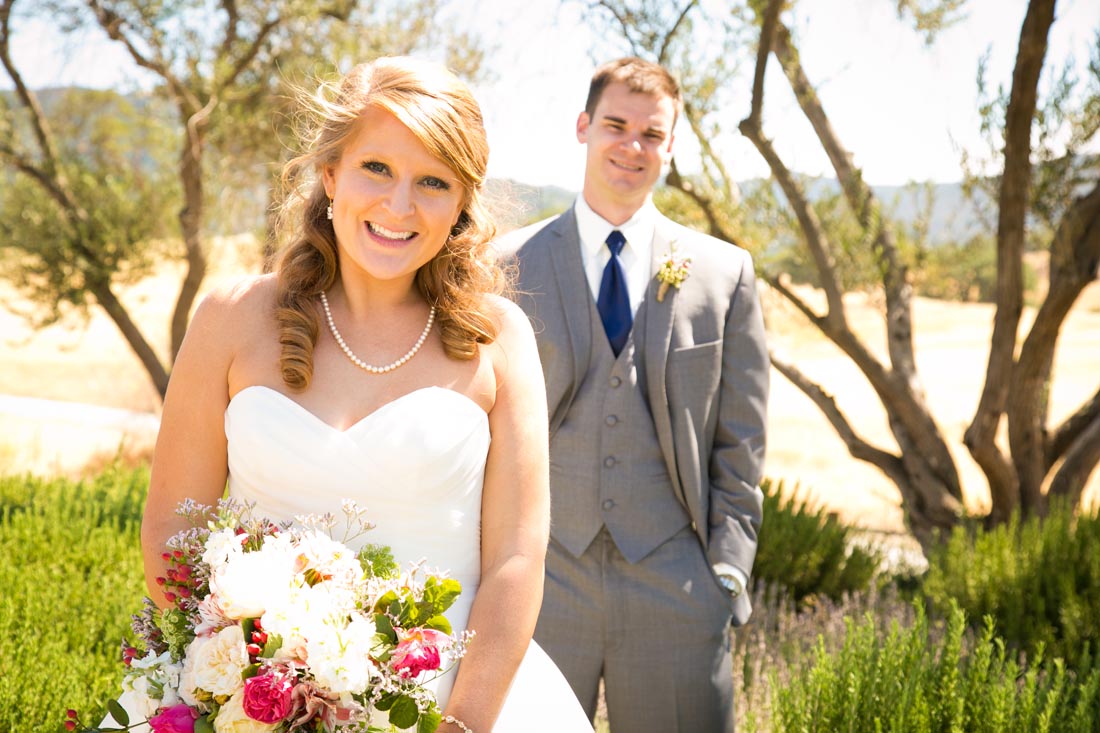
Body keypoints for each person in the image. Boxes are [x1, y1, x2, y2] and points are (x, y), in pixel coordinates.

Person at [125, 57, 592, 733]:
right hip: (249, 709)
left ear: (463, 201)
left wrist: (462, 724)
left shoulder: (501, 340)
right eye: (377, 168)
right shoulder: (229, 318)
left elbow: (517, 559)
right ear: (329, 172)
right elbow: (173, 527)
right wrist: (232, 686)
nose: (398, 206)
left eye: (433, 182)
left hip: (450, 704)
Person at [500, 57, 769, 731]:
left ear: (670, 147)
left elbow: (743, 439)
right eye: (616, 125)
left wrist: (725, 576)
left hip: (676, 586)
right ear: (584, 127)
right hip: (539, 580)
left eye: (652, 134)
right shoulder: (500, 265)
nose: (632, 145)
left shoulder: (723, 272)